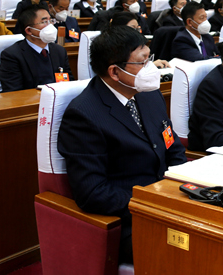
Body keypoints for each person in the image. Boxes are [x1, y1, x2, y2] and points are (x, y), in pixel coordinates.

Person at [58, 24, 185, 265]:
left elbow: (173, 146)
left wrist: (178, 188)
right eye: (142, 62)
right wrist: (153, 202)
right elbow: (93, 193)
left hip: (170, 202)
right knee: (199, 252)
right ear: (115, 72)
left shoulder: (149, 94)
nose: (151, 69)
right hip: (130, 219)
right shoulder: (83, 115)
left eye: (150, 59)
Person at [0, 5, 73, 92]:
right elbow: (13, 92)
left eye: (51, 21)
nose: (50, 25)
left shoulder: (59, 51)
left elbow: (69, 83)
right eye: (44, 21)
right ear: (29, 30)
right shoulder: (12, 55)